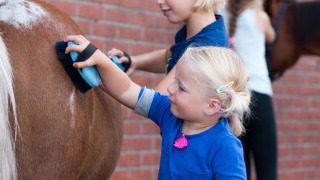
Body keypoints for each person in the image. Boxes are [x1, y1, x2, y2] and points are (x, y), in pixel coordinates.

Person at [64, 34, 251, 179]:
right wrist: (99, 59)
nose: (170, 88)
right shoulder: (168, 113)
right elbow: (127, 90)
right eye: (175, 81)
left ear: (211, 106)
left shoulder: (225, 147)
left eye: (181, 88)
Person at [107, 0, 229, 94]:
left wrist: (106, 70)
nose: (159, 2)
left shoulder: (207, 46)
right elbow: (169, 57)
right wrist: (134, 62)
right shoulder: (195, 31)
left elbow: (159, 100)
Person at [220, 0, 277, 179]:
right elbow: (272, 37)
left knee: (239, 168)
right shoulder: (259, 17)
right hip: (259, 94)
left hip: (233, 98)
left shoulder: (220, 14)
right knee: (266, 168)